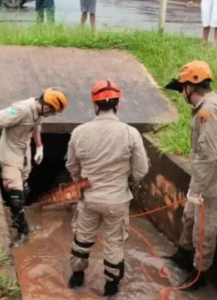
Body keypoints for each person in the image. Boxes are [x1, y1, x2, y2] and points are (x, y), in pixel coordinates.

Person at [66, 80, 149, 297]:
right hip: (117, 200)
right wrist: (128, 181)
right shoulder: (131, 134)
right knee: (114, 243)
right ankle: (111, 288)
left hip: (89, 198)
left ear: (95, 105)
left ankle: (76, 279)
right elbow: (141, 169)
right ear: (117, 105)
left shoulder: (79, 132)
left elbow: (71, 165)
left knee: (82, 237)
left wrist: (81, 182)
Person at [164, 61, 217, 290]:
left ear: (190, 87)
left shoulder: (209, 111)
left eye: (182, 89)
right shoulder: (211, 105)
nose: (182, 94)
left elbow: (208, 155)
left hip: (215, 186)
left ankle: (199, 274)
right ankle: (182, 255)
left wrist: (197, 188)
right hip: (205, 182)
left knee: (204, 233)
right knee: (189, 218)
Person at [0, 88, 68, 247]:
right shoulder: (21, 110)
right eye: (52, 111)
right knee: (16, 197)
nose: (51, 114)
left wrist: (39, 147)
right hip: (10, 157)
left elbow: (36, 126)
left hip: (24, 157)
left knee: (24, 191)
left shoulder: (38, 112)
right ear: (46, 105)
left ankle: (16, 211)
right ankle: (23, 231)